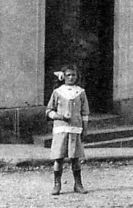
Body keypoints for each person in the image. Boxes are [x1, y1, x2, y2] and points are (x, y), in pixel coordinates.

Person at [45, 64, 90, 195]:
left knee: (75, 158)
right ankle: (57, 184)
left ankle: (78, 184)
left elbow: (85, 113)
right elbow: (49, 111)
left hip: (75, 129)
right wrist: (59, 116)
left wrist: (85, 129)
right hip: (61, 129)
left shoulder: (80, 92)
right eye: (68, 75)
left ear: (77, 76)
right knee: (58, 158)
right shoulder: (58, 92)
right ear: (63, 76)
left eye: (73, 75)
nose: (71, 77)